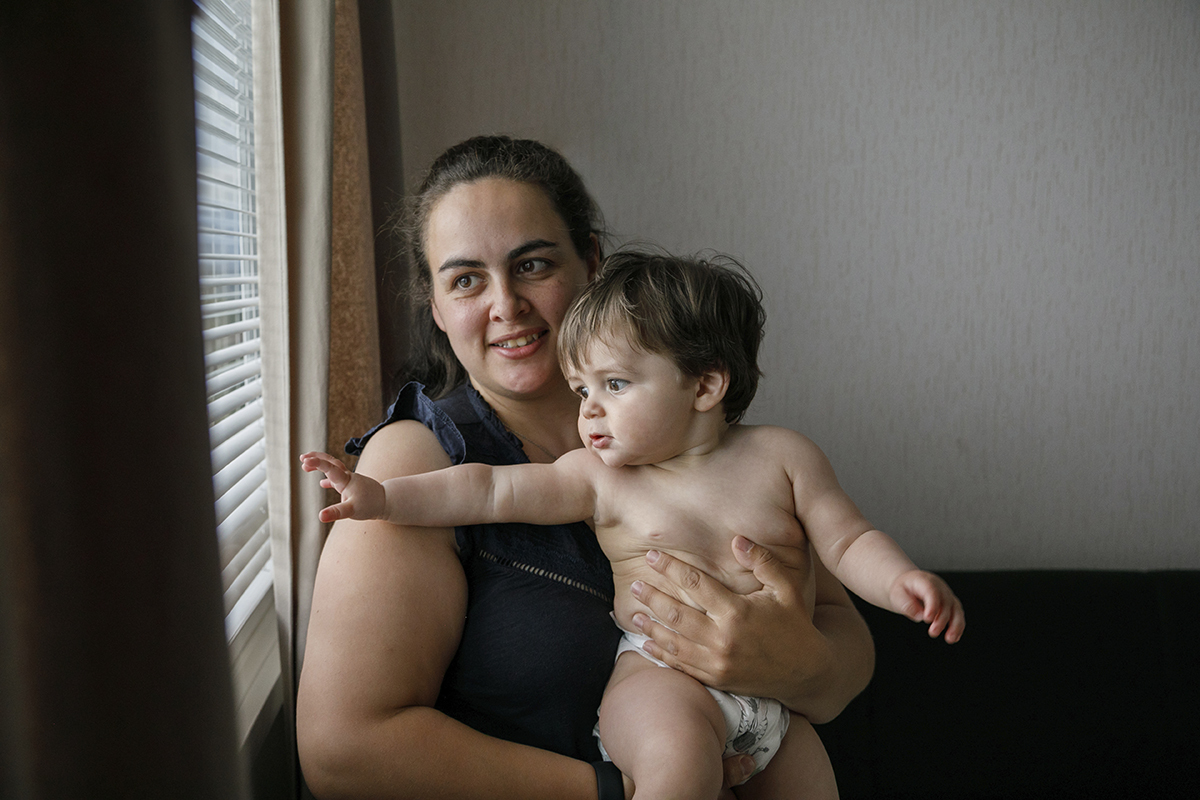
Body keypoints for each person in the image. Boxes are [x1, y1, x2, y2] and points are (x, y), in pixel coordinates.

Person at [295, 136, 877, 800]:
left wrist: (801, 669)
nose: (506, 305)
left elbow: (844, 639)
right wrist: (624, 785)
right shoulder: (415, 462)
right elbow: (345, 749)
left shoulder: (692, 433)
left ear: (591, 263)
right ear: (436, 307)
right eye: (465, 280)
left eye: (533, 264)